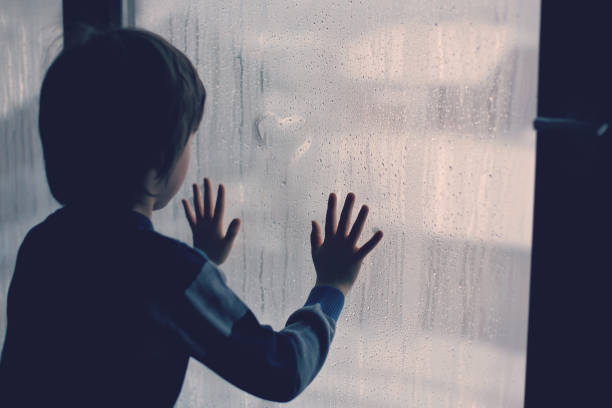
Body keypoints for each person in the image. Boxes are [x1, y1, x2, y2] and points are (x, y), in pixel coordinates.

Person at [0, 27, 383, 407]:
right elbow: (282, 369)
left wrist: (201, 261)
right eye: (188, 139)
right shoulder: (169, 274)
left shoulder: (42, 245)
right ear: (158, 160)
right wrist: (332, 287)